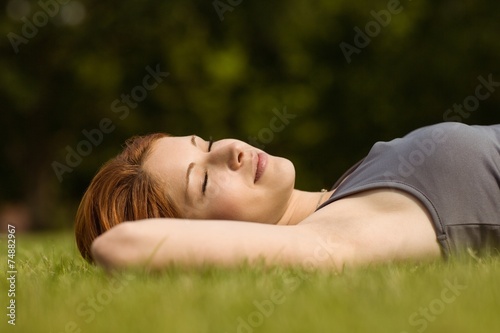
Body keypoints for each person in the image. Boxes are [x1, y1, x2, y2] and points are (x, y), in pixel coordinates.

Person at [75, 122, 500, 271]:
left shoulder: (344, 194)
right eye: (202, 182)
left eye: (204, 145)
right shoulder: (340, 233)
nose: (230, 150)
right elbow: (121, 246)